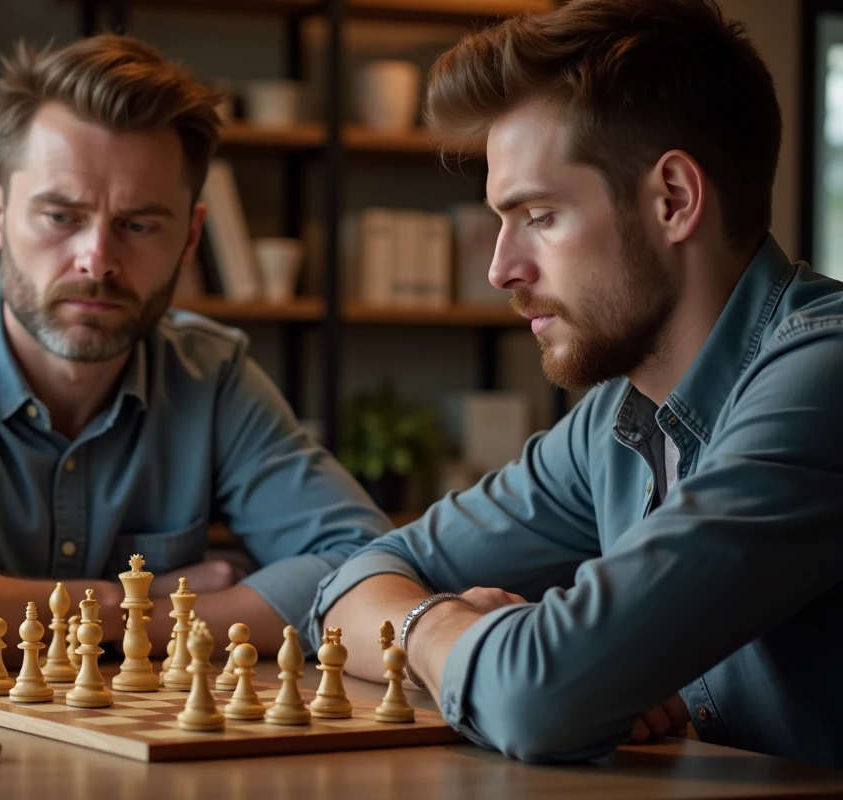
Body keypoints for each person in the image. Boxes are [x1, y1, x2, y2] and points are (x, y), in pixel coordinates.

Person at [314, 0, 843, 769]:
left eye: (539, 214)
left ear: (673, 200)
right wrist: (464, 630)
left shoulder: (824, 379)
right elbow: (350, 584)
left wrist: (444, 634)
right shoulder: (615, 423)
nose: (501, 269)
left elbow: (540, 697)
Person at [0, 34, 390, 676]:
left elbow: (368, 566)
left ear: (190, 237)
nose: (97, 259)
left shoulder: (213, 376)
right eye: (61, 217)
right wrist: (149, 606)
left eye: (140, 225)